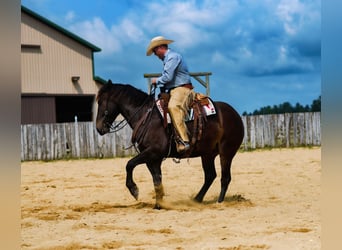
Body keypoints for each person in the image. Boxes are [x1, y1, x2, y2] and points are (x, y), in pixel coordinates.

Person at [146, 36, 194, 153]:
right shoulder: (168, 59)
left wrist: (156, 81)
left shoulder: (173, 57)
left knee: (173, 107)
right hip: (173, 90)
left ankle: (184, 140)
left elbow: (168, 77)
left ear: (161, 47)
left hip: (182, 89)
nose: (155, 54)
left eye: (155, 51)